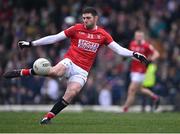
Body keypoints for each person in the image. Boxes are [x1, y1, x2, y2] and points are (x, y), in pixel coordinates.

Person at [3, 7, 148, 124]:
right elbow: (55, 38)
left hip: (83, 71)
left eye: (88, 18)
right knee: (56, 72)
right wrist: (31, 43)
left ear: (95, 18)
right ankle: (23, 72)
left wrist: (134, 54)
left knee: (71, 93)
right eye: (83, 18)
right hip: (70, 61)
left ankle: (48, 117)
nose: (85, 20)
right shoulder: (76, 28)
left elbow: (118, 49)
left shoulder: (102, 34)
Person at [123, 31, 160, 112]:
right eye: (137, 36)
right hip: (133, 70)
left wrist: (150, 60)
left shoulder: (146, 45)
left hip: (140, 71)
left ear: (143, 37)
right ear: (135, 37)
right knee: (140, 89)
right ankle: (155, 97)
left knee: (131, 90)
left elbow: (157, 54)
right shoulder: (132, 44)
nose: (139, 37)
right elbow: (131, 55)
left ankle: (125, 108)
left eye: (140, 36)